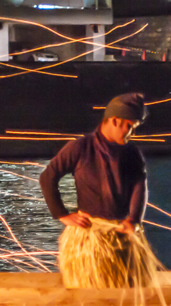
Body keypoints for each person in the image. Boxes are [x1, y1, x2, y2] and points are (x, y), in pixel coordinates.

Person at [39, 92, 150, 288]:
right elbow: (48, 177)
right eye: (129, 127)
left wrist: (133, 219)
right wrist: (62, 215)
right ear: (115, 120)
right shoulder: (80, 148)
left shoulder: (132, 153)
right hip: (90, 237)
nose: (131, 133)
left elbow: (139, 185)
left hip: (122, 236)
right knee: (90, 289)